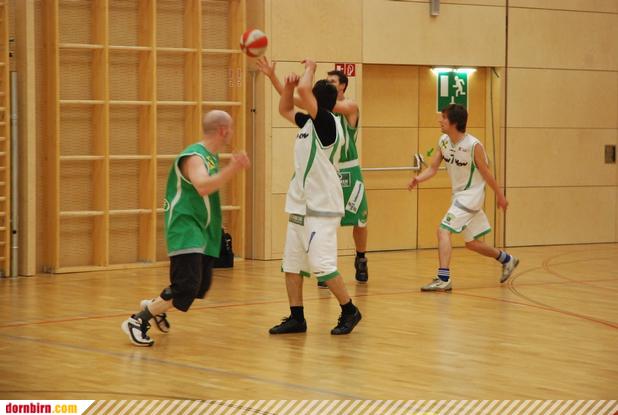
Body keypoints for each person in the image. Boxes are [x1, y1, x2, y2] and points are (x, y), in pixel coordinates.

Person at [121, 110, 250, 346]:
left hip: (202, 231)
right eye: (230, 128)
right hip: (185, 229)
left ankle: (156, 306)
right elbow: (202, 187)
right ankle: (138, 320)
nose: (232, 132)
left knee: (199, 287)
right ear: (223, 130)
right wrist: (233, 168)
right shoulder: (195, 157)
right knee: (186, 286)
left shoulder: (210, 157)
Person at [268, 59, 362, 335]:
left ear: (317, 102)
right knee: (292, 265)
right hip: (300, 204)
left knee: (322, 266)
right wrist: (282, 83)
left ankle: (350, 310)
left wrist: (310, 67)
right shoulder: (309, 123)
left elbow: (304, 90)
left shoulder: (328, 122)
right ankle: (297, 317)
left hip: (322, 207)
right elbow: (285, 108)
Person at [408, 104, 519, 292]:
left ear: (454, 122)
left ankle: (443, 278)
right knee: (472, 244)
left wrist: (500, 196)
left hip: (471, 196)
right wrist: (418, 179)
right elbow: (433, 168)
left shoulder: (474, 146)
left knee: (443, 230)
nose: (440, 120)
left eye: (444, 117)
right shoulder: (443, 141)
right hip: (459, 197)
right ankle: (507, 259)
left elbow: (487, 174)